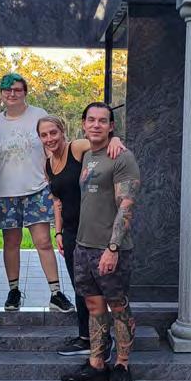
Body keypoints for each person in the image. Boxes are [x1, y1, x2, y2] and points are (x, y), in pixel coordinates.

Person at [59, 103, 141, 381]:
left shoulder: (122, 157)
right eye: (91, 120)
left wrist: (113, 248)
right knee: (94, 307)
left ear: (111, 126)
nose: (96, 125)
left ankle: (122, 366)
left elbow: (126, 206)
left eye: (103, 121)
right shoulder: (87, 155)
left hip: (110, 248)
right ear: (83, 124)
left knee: (118, 306)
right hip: (83, 246)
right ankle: (97, 364)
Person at [38, 115, 125, 357]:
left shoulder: (75, 148)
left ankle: (106, 340)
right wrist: (57, 231)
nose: (49, 138)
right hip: (70, 232)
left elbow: (99, 142)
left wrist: (115, 138)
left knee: (99, 289)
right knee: (80, 287)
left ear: (62, 131)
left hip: (94, 230)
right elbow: (57, 202)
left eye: (53, 132)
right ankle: (86, 338)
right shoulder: (48, 164)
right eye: (44, 135)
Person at [0, 73, 71, 312]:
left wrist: (55, 177)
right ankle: (13, 291)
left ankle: (56, 293)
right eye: (7, 90)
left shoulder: (38, 115)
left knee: (43, 241)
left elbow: (52, 147)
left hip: (37, 188)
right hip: (5, 191)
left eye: (17, 89)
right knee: (11, 242)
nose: (12, 94)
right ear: (1, 94)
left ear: (25, 92)